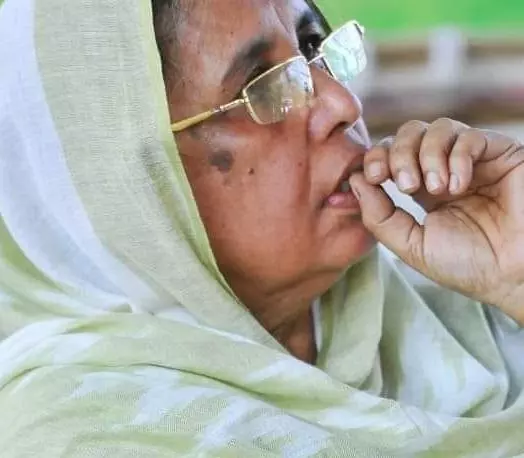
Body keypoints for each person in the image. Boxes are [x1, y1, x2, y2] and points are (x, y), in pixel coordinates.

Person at [0, 0, 523, 456]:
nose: (344, 105)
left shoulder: (449, 300)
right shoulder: (82, 435)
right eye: (263, 86)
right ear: (134, 192)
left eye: (313, 47)